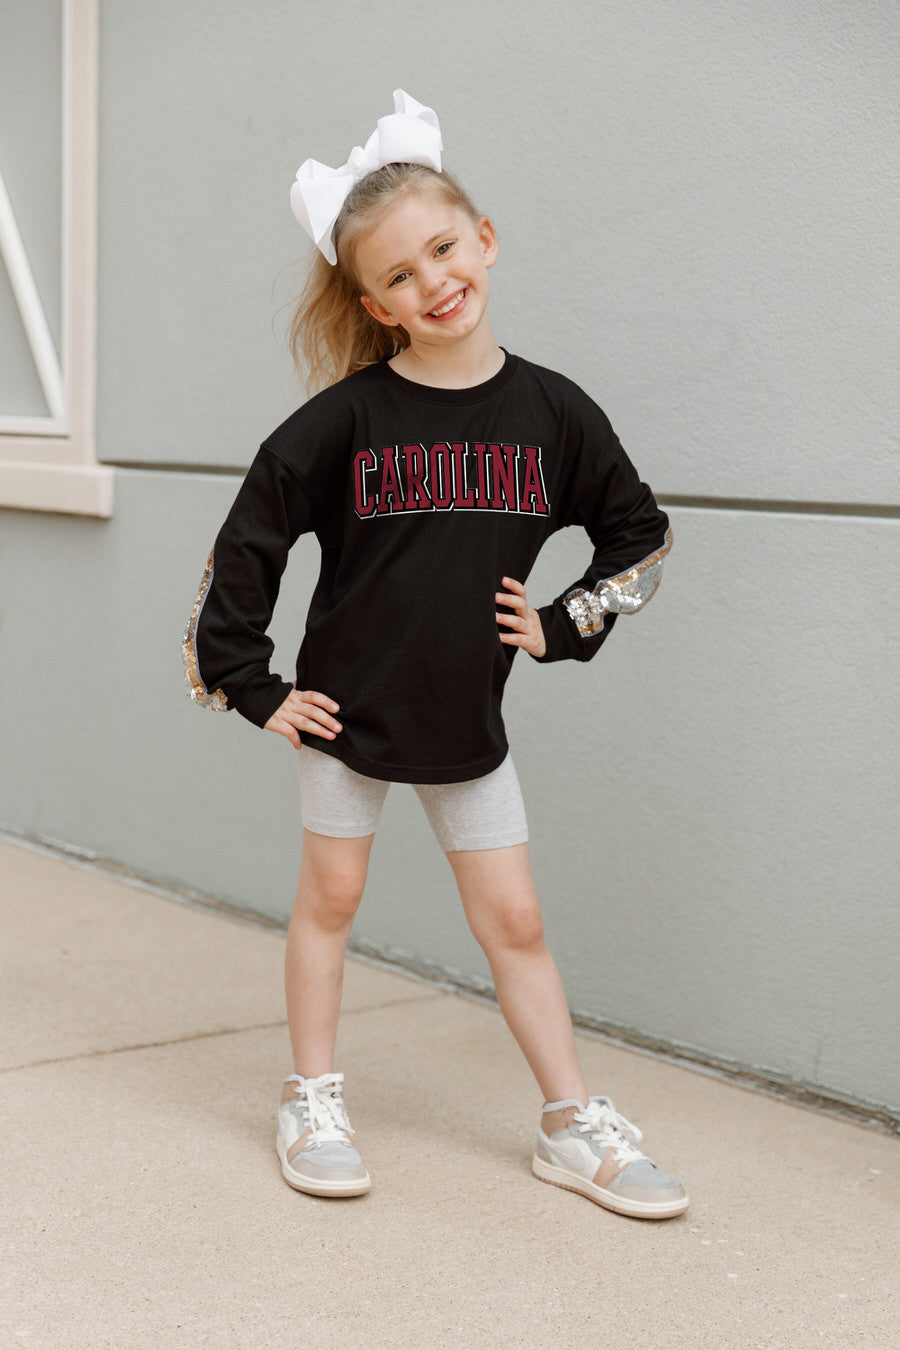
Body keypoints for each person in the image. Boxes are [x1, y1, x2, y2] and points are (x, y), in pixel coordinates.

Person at [182, 91, 686, 1219]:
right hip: (346, 716)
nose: (434, 283)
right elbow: (249, 537)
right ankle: (311, 1100)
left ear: (484, 239)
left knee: (516, 922)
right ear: (376, 304)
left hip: (468, 718)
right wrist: (251, 682)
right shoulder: (345, 421)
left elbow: (641, 535)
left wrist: (564, 622)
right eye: (401, 276)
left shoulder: (553, 413)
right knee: (332, 898)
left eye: (445, 250)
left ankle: (572, 1124)